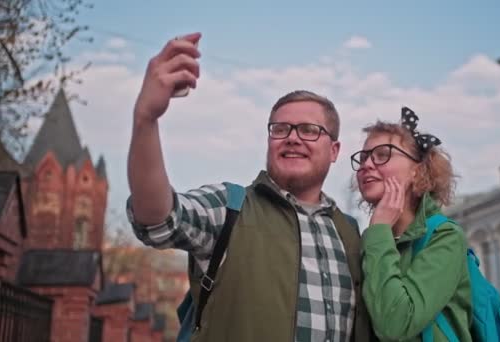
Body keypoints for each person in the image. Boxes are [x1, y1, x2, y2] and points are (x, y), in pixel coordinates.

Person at [126, 32, 374, 342]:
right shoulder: (229, 208)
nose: (292, 137)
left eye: (309, 130)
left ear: (335, 150)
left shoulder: (351, 234)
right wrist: (146, 119)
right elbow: (158, 219)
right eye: (281, 129)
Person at [350, 107, 473, 341]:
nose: (366, 164)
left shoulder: (445, 236)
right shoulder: (371, 239)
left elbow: (395, 325)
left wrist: (378, 231)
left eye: (383, 154)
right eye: (363, 157)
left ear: (417, 171)